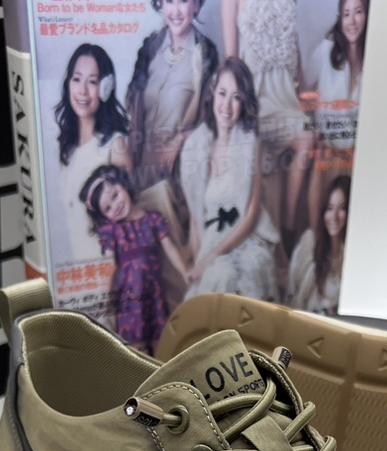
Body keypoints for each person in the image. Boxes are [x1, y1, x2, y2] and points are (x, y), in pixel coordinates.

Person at [181, 57, 278, 300]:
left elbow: (251, 214)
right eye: (222, 93)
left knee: (245, 271)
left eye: (236, 98)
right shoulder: (195, 147)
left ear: (244, 103)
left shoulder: (250, 144)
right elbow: (195, 218)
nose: (227, 106)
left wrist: (214, 256)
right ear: (212, 93)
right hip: (211, 240)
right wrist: (200, 261)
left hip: (247, 238)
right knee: (218, 277)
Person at [221, 0, 313, 244]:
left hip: (286, 101)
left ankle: (288, 229)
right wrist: (235, 110)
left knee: (309, 136)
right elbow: (231, 62)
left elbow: (295, 52)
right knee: (255, 149)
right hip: (254, 103)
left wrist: (306, 101)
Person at [80, 165, 190, 354]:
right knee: (137, 347)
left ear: (123, 185)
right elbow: (110, 266)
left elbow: (170, 249)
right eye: (107, 208)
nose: (115, 206)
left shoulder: (153, 219)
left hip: (154, 294)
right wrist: (107, 298)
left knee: (161, 341)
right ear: (104, 216)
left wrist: (186, 272)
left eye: (115, 195)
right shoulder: (112, 231)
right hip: (130, 299)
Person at [125, 0, 219, 192]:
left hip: (178, 173)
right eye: (169, 1)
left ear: (196, 5)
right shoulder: (149, 48)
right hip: (139, 167)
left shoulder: (205, 54)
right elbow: (132, 110)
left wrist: (181, 139)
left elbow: (214, 122)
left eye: (183, 1)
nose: (175, 11)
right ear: (160, 5)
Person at [54, 44, 132, 263]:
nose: (82, 91)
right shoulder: (67, 148)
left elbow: (130, 224)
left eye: (92, 82)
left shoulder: (115, 146)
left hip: (111, 270)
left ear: (106, 88)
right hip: (82, 268)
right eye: (77, 79)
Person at [306, 0, 367, 231]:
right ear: (340, 19)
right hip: (329, 146)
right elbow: (306, 89)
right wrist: (313, 128)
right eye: (346, 14)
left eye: (358, 12)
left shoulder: (376, 56)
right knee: (322, 162)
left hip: (358, 150)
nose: (352, 21)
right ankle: (316, 241)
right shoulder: (325, 51)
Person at [288, 175, 349, 315]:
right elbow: (294, 296)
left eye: (341, 208)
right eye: (330, 208)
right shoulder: (309, 243)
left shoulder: (351, 256)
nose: (334, 217)